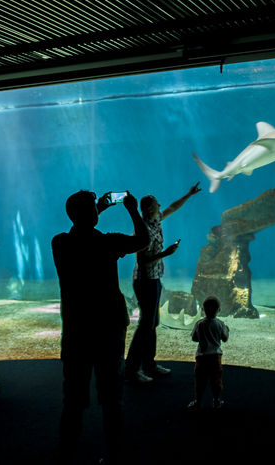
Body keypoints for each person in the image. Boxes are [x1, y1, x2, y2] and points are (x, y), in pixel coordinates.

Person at [51, 189, 149, 465]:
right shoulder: (109, 243)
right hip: (108, 328)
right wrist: (131, 208)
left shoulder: (60, 243)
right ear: (93, 214)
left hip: (76, 329)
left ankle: (66, 454)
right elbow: (144, 239)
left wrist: (95, 210)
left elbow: (81, 229)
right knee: (112, 398)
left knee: (73, 399)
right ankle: (114, 455)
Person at [125, 183, 201, 383]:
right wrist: (165, 254)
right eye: (157, 204)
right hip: (144, 280)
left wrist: (189, 194)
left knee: (153, 323)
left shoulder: (156, 220)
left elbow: (173, 207)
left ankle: (149, 364)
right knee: (145, 325)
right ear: (150, 208)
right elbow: (140, 260)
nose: (160, 205)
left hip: (155, 278)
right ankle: (132, 369)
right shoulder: (143, 229)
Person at [187, 296, 229, 410]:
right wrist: (227, 330)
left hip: (201, 357)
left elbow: (194, 338)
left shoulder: (199, 323)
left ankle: (198, 401)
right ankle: (216, 401)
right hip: (215, 357)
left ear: (202, 309)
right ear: (219, 310)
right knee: (216, 380)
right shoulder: (220, 324)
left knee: (200, 380)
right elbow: (225, 338)